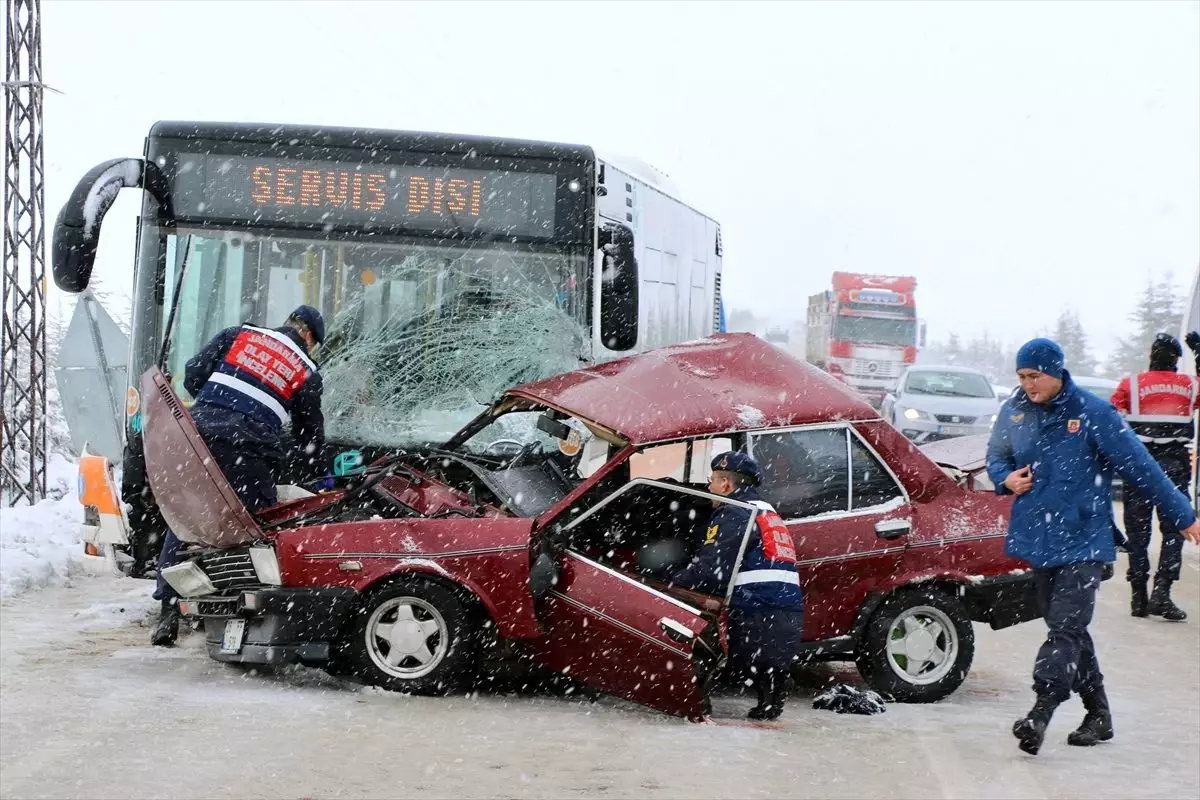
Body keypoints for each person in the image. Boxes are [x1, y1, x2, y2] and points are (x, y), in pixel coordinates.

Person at [987, 338, 1200, 756]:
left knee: (1064, 628)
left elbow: (1143, 467)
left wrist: (1183, 514)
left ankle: (1041, 711)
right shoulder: (1014, 410)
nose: (1028, 385)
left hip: (1085, 539)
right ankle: (1099, 714)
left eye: (1035, 377)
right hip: (1039, 537)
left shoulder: (1093, 413)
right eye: (1022, 377)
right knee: (1068, 629)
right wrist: (1006, 479)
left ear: (1056, 372)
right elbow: (997, 456)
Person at [151, 305, 327, 646]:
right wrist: (318, 474)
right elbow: (309, 437)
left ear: (290, 322)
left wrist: (216, 406)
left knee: (186, 519)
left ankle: (169, 611)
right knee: (253, 528)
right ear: (309, 337)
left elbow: (193, 374)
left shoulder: (240, 334)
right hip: (249, 451)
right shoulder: (306, 369)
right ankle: (236, 612)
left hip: (195, 439)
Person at [667, 452, 805, 720]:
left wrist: (674, 582)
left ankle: (704, 703)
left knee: (713, 655)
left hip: (756, 604)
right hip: (785, 604)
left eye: (712, 481)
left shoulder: (735, 512)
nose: (709, 488)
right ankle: (770, 701)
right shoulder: (766, 509)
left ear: (726, 485)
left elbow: (712, 568)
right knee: (769, 670)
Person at [1110, 333, 1200, 621]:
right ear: (1176, 360)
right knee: (1174, 529)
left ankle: (1138, 596)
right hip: (1174, 465)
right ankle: (1162, 591)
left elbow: (1111, 413)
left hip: (1138, 465)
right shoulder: (1189, 384)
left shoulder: (1131, 384)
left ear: (1151, 356)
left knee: (1138, 531)